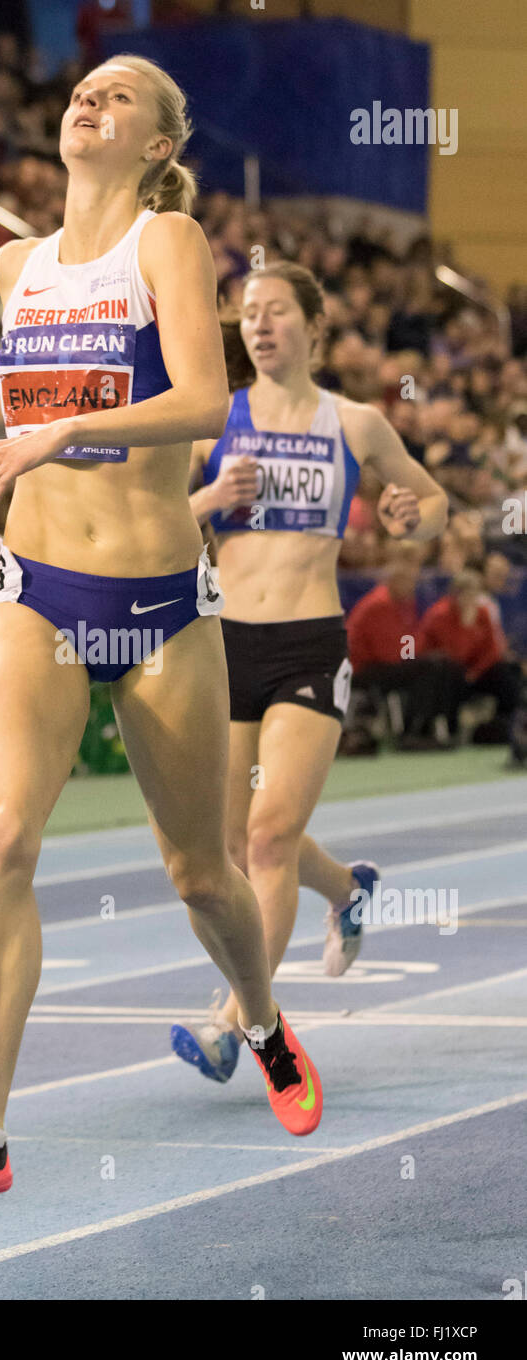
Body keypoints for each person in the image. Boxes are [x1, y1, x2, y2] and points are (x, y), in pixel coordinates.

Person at [0, 54, 324, 1234]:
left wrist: (61, 437)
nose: (86, 105)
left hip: (156, 604)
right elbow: (18, 394)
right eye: (80, 93)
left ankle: (259, 1019)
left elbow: (204, 402)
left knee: (200, 871)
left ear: (155, 144)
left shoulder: (168, 240)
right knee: (0, 839)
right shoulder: (17, 262)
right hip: (35, 588)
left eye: (117, 98)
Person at [171, 260, 448, 1084]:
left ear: (315, 329)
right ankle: (347, 888)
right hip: (224, 648)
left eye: (278, 312)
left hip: (308, 645)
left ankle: (233, 1024)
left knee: (266, 837)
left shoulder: (354, 422)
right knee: (224, 846)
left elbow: (429, 501)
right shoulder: (211, 417)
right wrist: (212, 497)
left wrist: (411, 518)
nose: (259, 324)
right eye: (249, 312)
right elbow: (152, 525)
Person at [347, 543, 455, 750]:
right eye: (409, 581)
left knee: (442, 665)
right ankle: (410, 732)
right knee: (428, 667)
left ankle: (430, 728)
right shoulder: (378, 605)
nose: (413, 586)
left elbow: (409, 641)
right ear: (394, 581)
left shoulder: (404, 603)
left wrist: (418, 651)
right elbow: (388, 653)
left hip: (387, 664)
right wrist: (416, 652)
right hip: (363, 670)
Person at [418, 569, 522, 741]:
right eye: (466, 594)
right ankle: (450, 730)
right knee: (453, 671)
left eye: (475, 594)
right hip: (447, 677)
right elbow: (456, 655)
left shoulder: (482, 612)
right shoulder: (439, 615)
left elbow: (493, 651)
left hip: (473, 674)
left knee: (503, 671)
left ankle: (508, 725)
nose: (471, 599)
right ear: (455, 594)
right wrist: (466, 626)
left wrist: (475, 673)